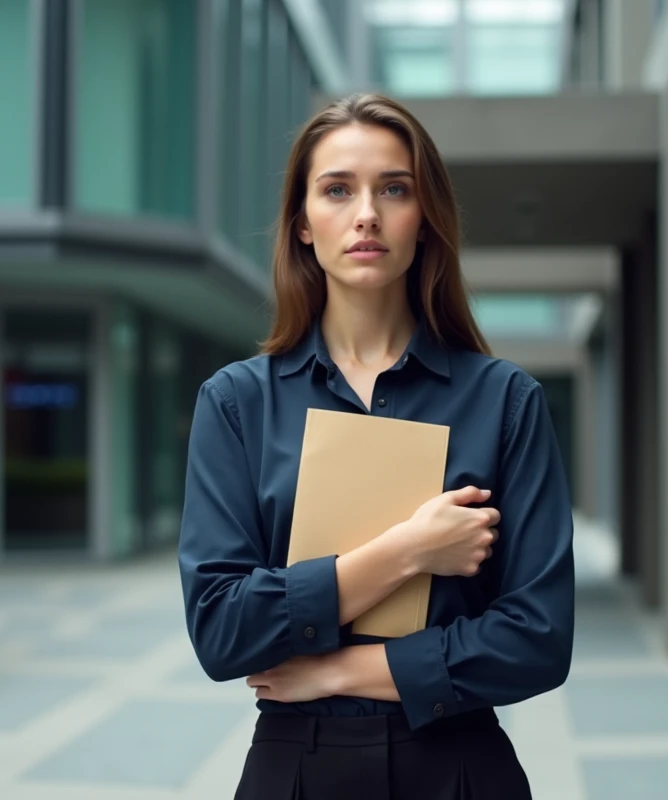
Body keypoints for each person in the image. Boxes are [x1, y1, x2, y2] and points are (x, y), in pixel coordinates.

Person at [177, 93, 575, 800]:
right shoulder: (237, 403)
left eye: (394, 189)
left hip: (459, 767)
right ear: (302, 223)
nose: (367, 214)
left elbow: (537, 640)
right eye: (337, 190)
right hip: (295, 767)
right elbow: (222, 630)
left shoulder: (504, 400)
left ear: (425, 222)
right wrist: (410, 551)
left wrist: (335, 671)